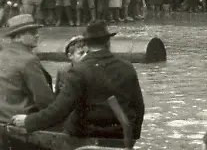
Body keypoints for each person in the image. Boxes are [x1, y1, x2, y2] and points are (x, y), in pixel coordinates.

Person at [11, 21, 145, 140]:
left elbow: (59, 110)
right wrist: (134, 136)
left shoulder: (79, 70)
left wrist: (28, 121)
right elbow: (139, 107)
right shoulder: (128, 67)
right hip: (121, 133)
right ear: (108, 43)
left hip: (89, 133)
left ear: (87, 44)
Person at [0, 14, 54, 123]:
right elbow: (44, 100)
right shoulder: (29, 60)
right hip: (23, 121)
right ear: (18, 37)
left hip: (4, 118)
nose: (37, 35)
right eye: (32, 33)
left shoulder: (2, 54)